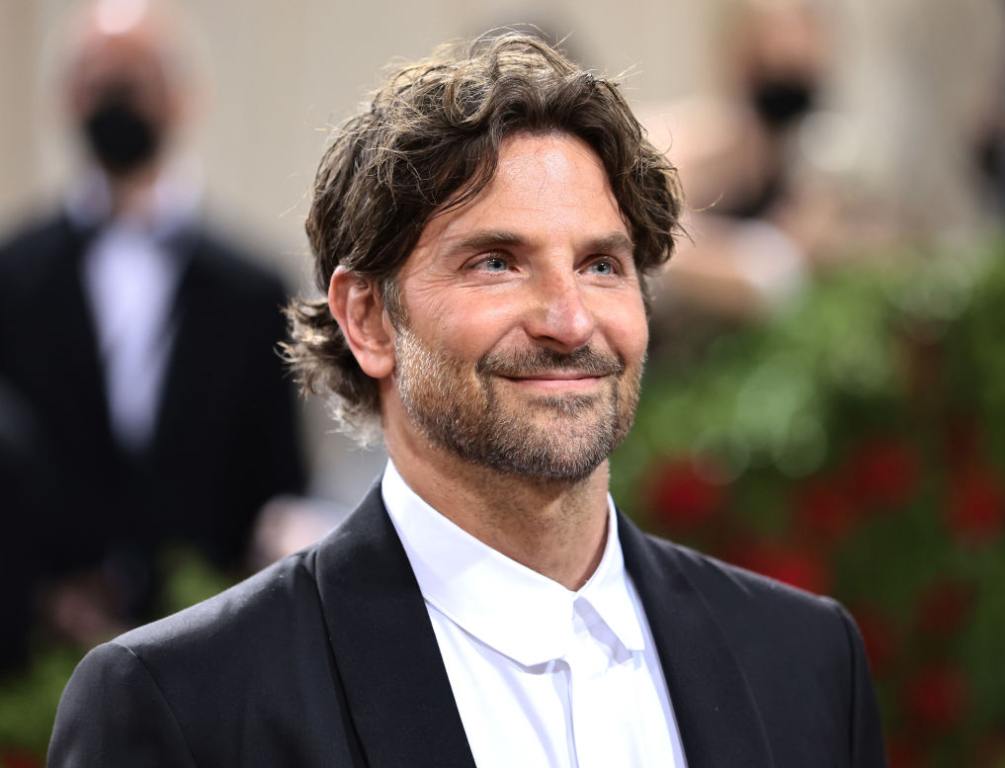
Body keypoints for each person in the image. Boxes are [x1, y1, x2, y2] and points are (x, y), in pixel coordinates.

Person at [49, 34, 885, 767]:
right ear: (369, 319)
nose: (568, 320)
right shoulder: (185, 705)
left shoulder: (806, 664)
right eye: (496, 262)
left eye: (601, 264)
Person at [0, 0, 305, 639]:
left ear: (181, 96)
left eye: (132, 79)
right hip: (37, 648)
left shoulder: (251, 289)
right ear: (67, 98)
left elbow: (278, 481)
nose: (116, 99)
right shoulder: (14, 276)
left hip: (207, 635)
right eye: (97, 81)